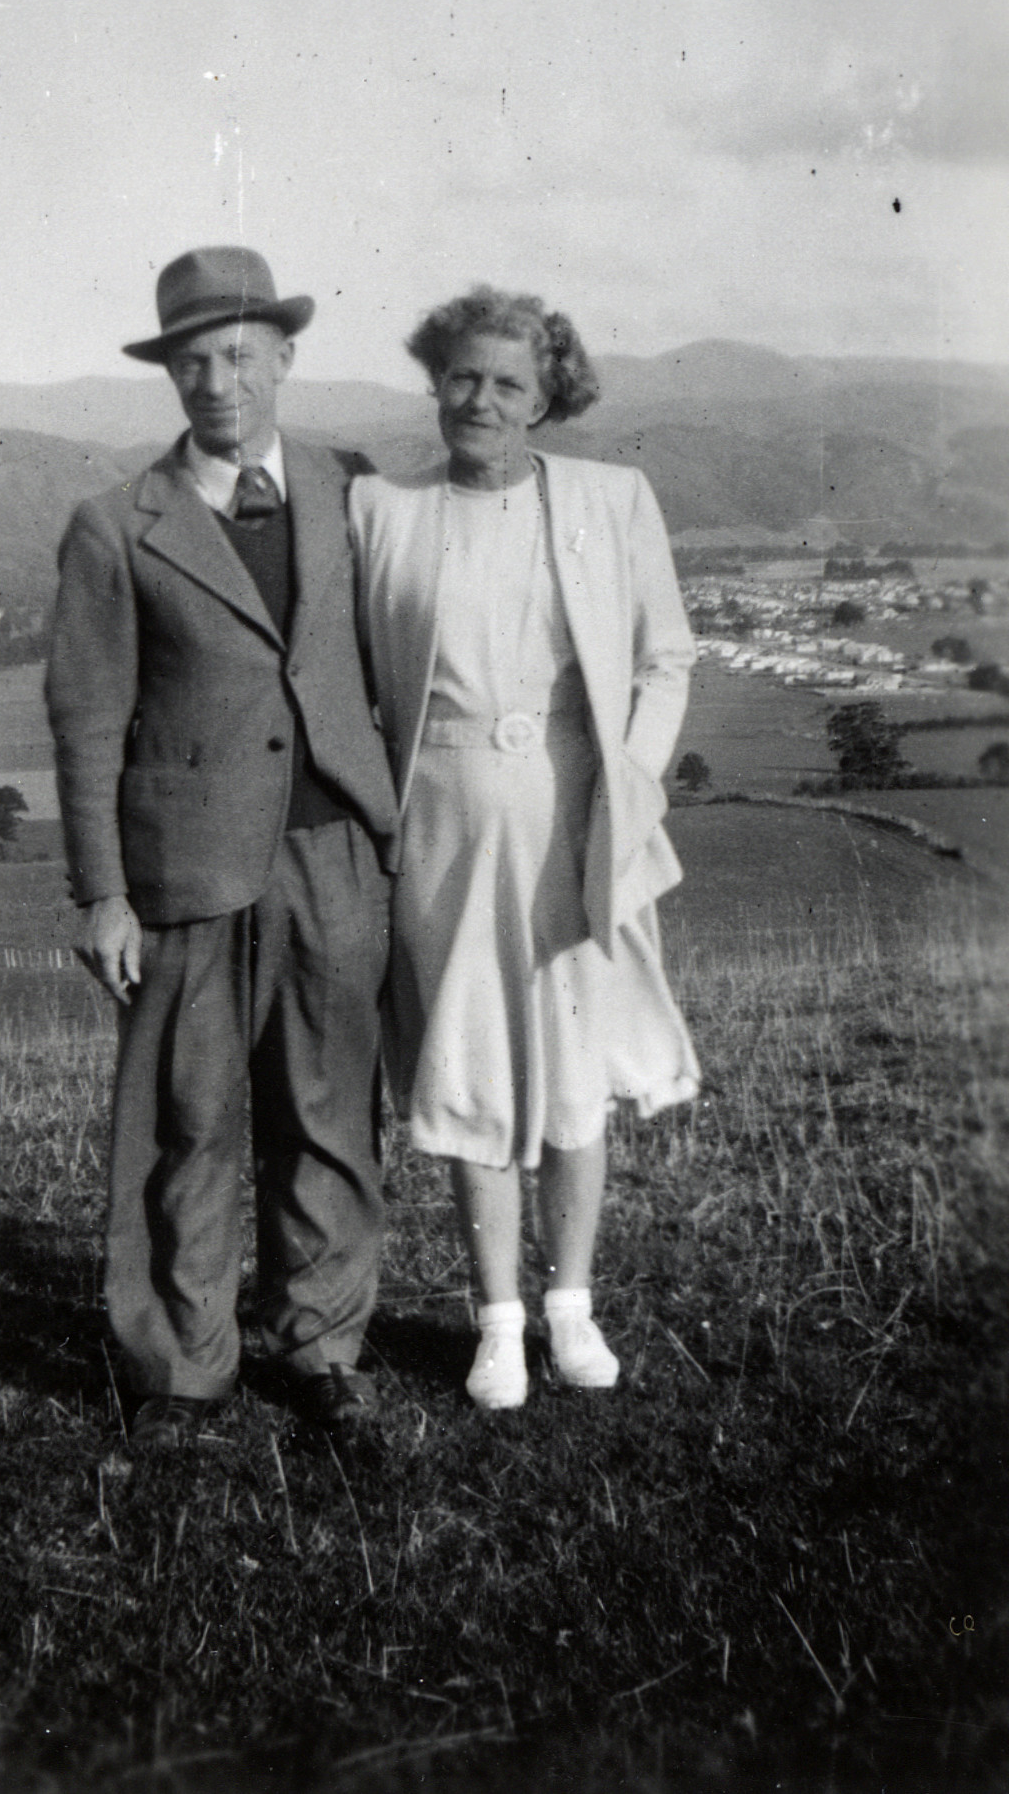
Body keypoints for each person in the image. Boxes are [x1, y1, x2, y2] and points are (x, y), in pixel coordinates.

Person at [46, 247, 399, 1445]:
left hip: (337, 857)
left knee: (331, 1113)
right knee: (188, 1127)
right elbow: (87, 718)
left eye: (241, 354)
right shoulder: (114, 527)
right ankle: (181, 1372)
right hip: (185, 874)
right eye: (193, 360)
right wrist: (103, 891)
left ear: (287, 357)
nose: (219, 381)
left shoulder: (352, 488)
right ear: (168, 374)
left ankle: (321, 1345)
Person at [348, 286, 699, 1410]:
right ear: (433, 382)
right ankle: (495, 1319)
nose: (480, 399)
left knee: (573, 1068)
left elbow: (665, 657)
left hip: (576, 815)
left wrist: (632, 785)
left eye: (507, 382)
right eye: (461, 376)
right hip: (442, 824)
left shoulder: (612, 497)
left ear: (547, 397)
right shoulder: (380, 511)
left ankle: (570, 1305)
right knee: (471, 1061)